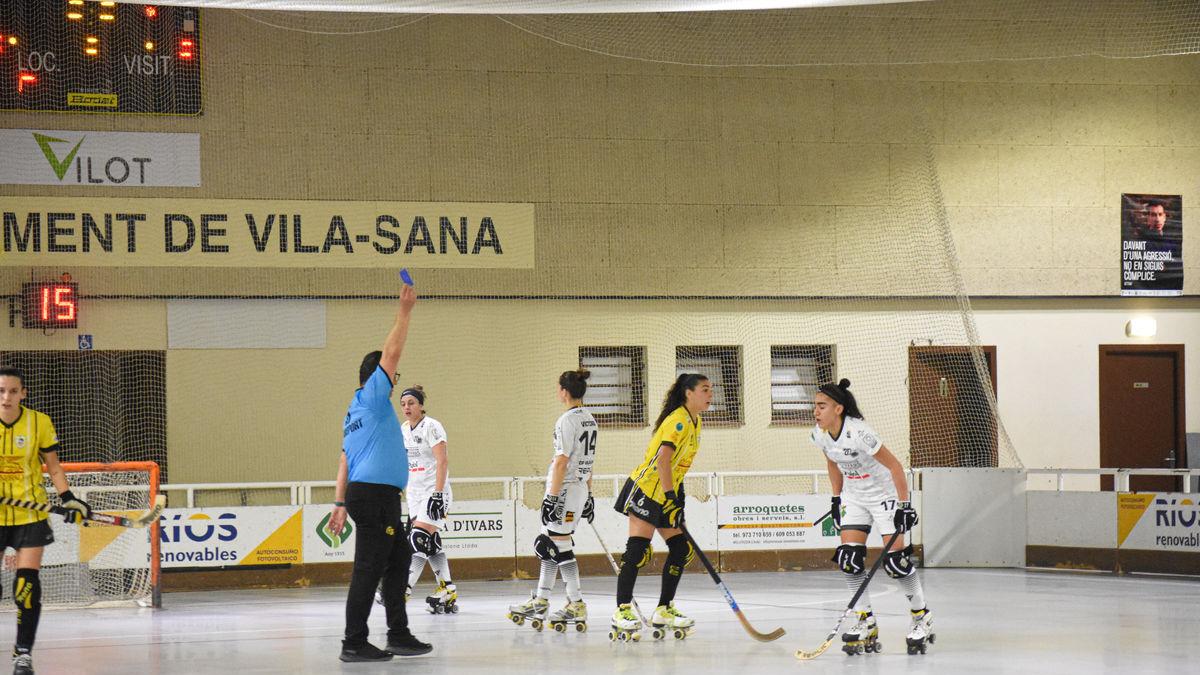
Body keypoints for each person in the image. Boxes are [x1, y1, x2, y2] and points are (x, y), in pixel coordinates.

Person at [326, 282, 432, 663]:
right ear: (376, 377)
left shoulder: (354, 412)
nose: (394, 381)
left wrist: (339, 503)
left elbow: (345, 460)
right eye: (392, 376)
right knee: (368, 569)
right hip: (374, 496)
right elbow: (391, 351)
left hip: (371, 494)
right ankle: (353, 642)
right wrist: (404, 311)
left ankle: (398, 634)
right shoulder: (371, 396)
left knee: (399, 560)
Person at [811, 378, 934, 655]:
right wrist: (836, 498)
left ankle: (921, 617)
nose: (816, 411)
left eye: (822, 406)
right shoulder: (820, 434)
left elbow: (895, 466)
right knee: (849, 559)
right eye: (815, 406)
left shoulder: (860, 433)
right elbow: (832, 462)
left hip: (883, 495)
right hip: (854, 496)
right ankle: (865, 620)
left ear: (839, 408)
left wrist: (904, 505)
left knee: (896, 562)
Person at [0, 366, 91, 675]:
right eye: (1, 391)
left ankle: (23, 654)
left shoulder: (39, 422)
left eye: (13, 391)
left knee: (25, 587)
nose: (6, 397)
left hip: (30, 515)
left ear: (23, 393)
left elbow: (53, 468)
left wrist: (68, 499)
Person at [610, 372, 712, 639]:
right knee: (637, 552)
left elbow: (678, 468)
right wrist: (669, 498)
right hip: (647, 490)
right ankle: (622, 610)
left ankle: (663, 609)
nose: (710, 394)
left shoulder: (696, 421)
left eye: (710, 389)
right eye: (704, 389)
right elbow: (662, 461)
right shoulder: (678, 422)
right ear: (689, 393)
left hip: (668, 491)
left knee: (681, 549)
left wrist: (678, 503)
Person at [507, 370, 598, 632]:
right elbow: (589, 461)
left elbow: (561, 462)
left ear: (564, 392)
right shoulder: (590, 418)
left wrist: (551, 498)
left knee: (557, 545)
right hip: (578, 489)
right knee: (551, 544)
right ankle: (541, 600)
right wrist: (588, 494)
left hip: (565, 490)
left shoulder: (566, 421)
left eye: (558, 388)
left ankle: (576, 602)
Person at [398, 385, 457, 614]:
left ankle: (402, 588)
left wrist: (438, 493)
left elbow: (442, 461)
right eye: (403, 404)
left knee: (418, 539)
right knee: (431, 544)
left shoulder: (432, 426)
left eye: (411, 403)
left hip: (433, 491)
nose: (407, 408)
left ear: (421, 405)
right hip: (414, 493)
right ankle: (447, 588)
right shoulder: (404, 429)